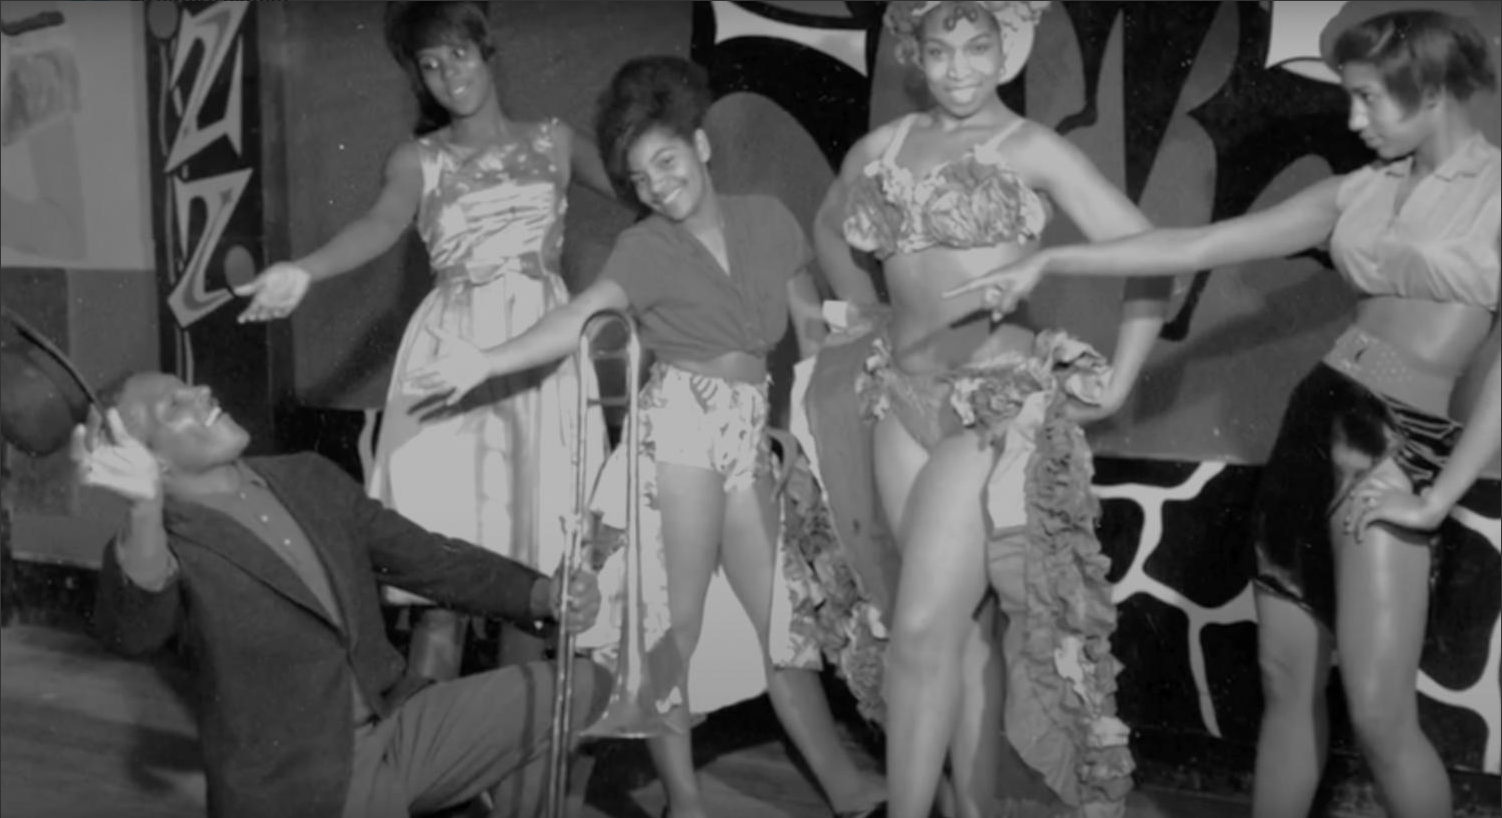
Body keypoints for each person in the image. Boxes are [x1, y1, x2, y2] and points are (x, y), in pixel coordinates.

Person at [954, 9, 1500, 818]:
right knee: (1285, 680)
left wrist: (1437, 497)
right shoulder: (1359, 190)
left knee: (1381, 715)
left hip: (1395, 448)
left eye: (1368, 98)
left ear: (1429, 89)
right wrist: (1053, 259)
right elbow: (1196, 245)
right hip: (1313, 426)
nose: (1353, 119)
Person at [408, 55, 886, 818]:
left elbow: (807, 331)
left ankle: (849, 789)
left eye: (667, 161)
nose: (658, 186)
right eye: (639, 178)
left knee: (782, 627)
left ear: (700, 144)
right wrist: (489, 360)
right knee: (673, 629)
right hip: (680, 435)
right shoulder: (645, 248)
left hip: (745, 432)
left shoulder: (769, 219)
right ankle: (685, 803)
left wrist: (834, 392)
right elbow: (581, 315)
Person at [809, 2, 1174, 816]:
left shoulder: (1030, 148)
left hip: (990, 409)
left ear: (1007, 50)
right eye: (941, 50)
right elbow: (829, 229)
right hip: (901, 405)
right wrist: (864, 316)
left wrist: (1120, 381)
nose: (960, 68)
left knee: (919, 631)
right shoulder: (881, 149)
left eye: (978, 48)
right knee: (962, 636)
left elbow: (1157, 258)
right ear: (915, 53)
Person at [234, 0, 610, 681]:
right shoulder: (418, 159)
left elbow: (643, 188)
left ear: (486, 50)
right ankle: (428, 743)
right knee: (442, 584)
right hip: (449, 355)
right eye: (430, 65)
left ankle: (511, 743)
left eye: (457, 54)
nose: (448, 75)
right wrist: (304, 270)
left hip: (541, 352)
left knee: (535, 579)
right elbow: (379, 224)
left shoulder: (555, 140)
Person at [76, 372, 610, 818]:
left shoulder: (307, 477)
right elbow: (132, 632)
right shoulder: (162, 543)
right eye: (176, 405)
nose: (203, 391)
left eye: (190, 385)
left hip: (398, 722)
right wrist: (143, 508)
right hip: (305, 788)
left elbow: (427, 558)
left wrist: (542, 594)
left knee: (579, 687)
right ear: (153, 462)